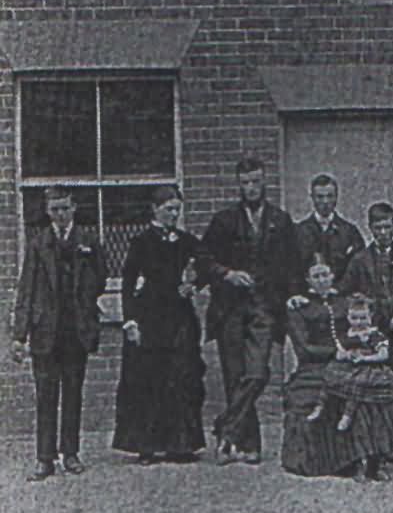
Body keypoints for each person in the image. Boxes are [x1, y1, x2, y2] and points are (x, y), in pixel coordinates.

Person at [202, 157, 301, 465]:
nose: (251, 187)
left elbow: (293, 265)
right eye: (245, 182)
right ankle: (248, 444)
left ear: (264, 182)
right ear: (239, 185)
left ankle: (226, 429)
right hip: (230, 307)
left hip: (264, 307)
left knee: (257, 373)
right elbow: (203, 258)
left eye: (256, 181)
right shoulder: (224, 220)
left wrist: (294, 296)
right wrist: (227, 273)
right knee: (235, 375)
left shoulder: (281, 221)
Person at [12, 187, 107, 481]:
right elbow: (26, 289)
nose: (61, 215)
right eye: (55, 210)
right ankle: (44, 458)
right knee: (45, 395)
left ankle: (71, 453)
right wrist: (19, 335)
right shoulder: (38, 243)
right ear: (47, 211)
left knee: (73, 393)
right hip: (45, 332)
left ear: (74, 207)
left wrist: (84, 301)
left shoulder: (88, 241)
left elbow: (101, 279)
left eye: (65, 208)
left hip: (75, 330)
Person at [112, 185, 207, 465]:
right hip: (150, 319)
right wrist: (130, 320)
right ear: (155, 209)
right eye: (168, 209)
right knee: (148, 381)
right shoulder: (140, 243)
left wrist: (193, 285)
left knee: (181, 378)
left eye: (177, 209)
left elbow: (206, 267)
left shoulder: (187, 241)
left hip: (180, 320)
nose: (173, 214)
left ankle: (181, 444)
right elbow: (128, 284)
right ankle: (147, 446)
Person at [282, 261, 393, 478]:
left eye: (325, 275)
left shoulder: (344, 303)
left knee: (370, 391)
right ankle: (338, 461)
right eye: (316, 276)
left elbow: (368, 315)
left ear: (332, 277)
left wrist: (364, 347)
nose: (322, 280)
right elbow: (305, 347)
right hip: (315, 364)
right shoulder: (301, 307)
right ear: (307, 280)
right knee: (324, 394)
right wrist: (334, 353)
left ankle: (369, 457)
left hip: (352, 360)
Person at [307, 293, 393, 482]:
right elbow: (339, 352)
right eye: (355, 318)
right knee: (332, 377)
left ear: (370, 317)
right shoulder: (346, 334)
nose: (359, 322)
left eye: (363, 318)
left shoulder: (374, 334)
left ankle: (376, 462)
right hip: (350, 368)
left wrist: (365, 358)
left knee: (364, 389)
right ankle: (322, 406)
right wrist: (346, 355)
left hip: (372, 370)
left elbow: (384, 354)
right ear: (349, 318)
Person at [341, 202, 393, 348]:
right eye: (378, 228)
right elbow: (346, 292)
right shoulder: (359, 260)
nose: (383, 233)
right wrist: (362, 306)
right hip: (371, 325)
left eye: (387, 227)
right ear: (371, 228)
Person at [294, 173, 365, 286]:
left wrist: (339, 289)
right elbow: (293, 270)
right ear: (312, 197)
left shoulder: (350, 232)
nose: (325, 201)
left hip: (341, 296)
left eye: (330, 196)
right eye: (320, 197)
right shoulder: (298, 232)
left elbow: (358, 270)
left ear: (336, 197)